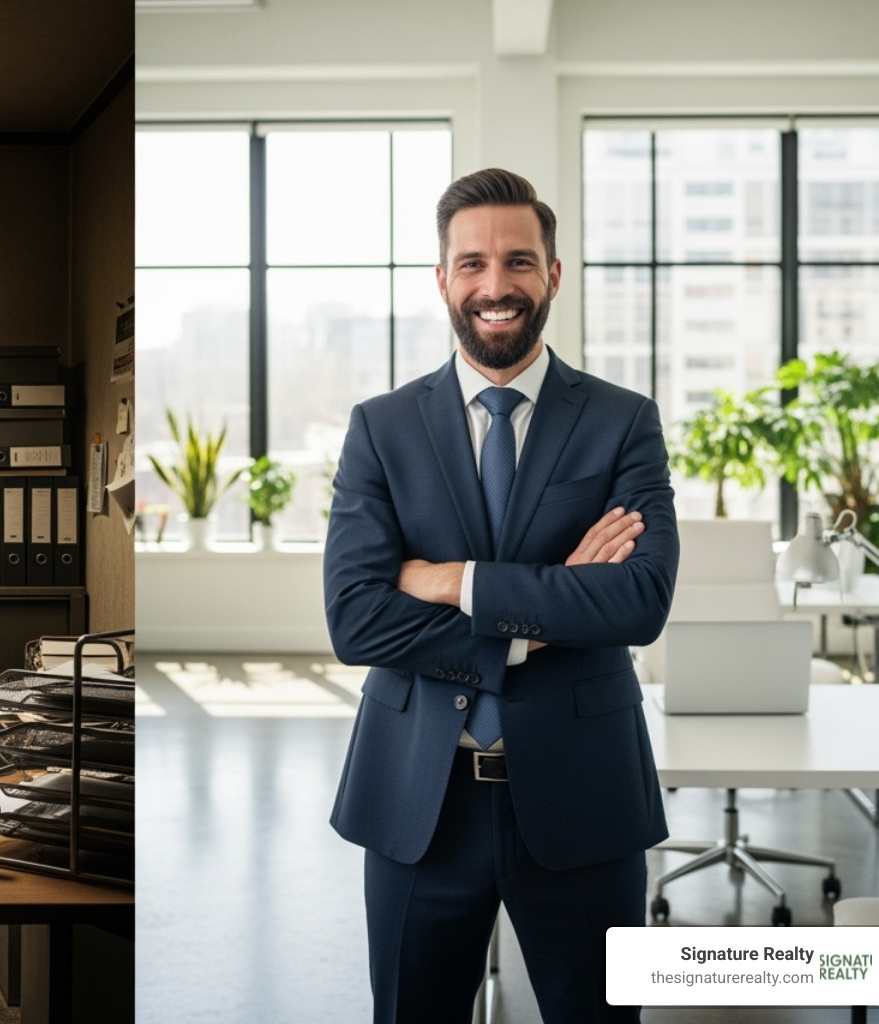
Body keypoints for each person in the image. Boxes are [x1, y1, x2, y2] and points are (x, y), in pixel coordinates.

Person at [324, 168, 679, 1023]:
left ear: (553, 275)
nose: (496, 286)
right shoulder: (382, 427)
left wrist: (454, 583)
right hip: (420, 799)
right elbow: (355, 615)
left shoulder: (623, 421)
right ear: (442, 280)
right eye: (473, 263)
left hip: (584, 796)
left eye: (519, 261)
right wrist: (539, 618)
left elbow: (637, 600)